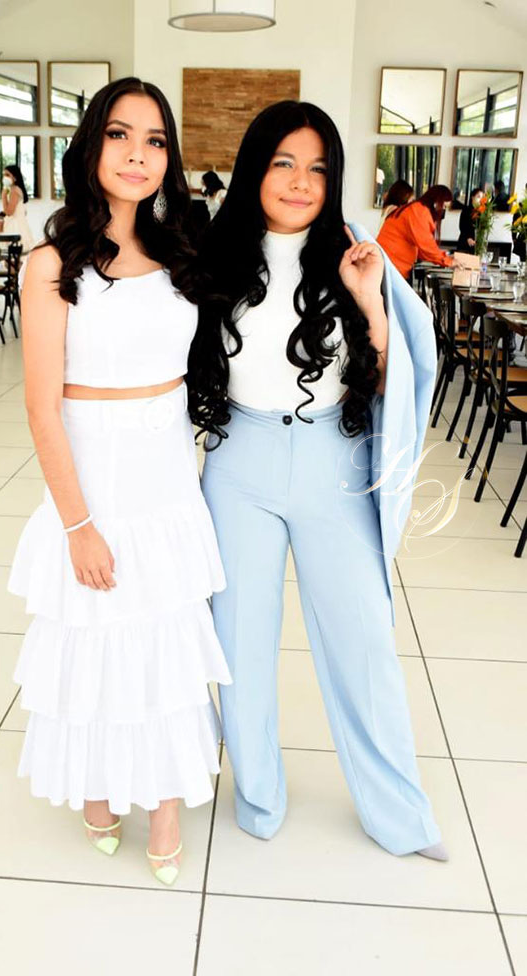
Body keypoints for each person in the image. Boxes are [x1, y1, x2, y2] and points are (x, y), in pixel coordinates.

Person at [187, 100, 447, 860]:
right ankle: (258, 796)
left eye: (318, 168)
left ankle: (398, 814)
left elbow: (395, 380)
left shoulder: (355, 252)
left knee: (364, 640)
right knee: (240, 640)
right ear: (255, 171)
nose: (301, 182)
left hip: (335, 460)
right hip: (240, 460)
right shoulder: (214, 255)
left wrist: (369, 301)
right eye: (284, 164)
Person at [7, 77, 231, 886]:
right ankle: (98, 786)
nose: (138, 154)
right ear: (91, 147)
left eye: (155, 140)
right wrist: (77, 526)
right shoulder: (50, 263)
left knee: (167, 640)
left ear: (169, 158)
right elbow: (41, 408)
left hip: (166, 479)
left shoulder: (182, 254)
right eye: (120, 135)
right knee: (95, 639)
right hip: (94, 480)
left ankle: (166, 804)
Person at [377, 184, 455, 279]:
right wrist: (449, 261)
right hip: (392, 265)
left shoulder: (416, 209)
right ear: (436, 203)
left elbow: (423, 249)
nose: (443, 211)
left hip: (390, 264)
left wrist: (445, 257)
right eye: (444, 207)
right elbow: (426, 244)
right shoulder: (420, 212)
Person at [1, 165, 34, 252]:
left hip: (14, 227)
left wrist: (3, 196)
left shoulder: (14, 190)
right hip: (18, 224)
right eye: (3, 175)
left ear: (15, 177)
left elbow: (9, 212)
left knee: (12, 255)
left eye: (7, 175)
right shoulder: (15, 189)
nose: (5, 177)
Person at [455, 186, 483, 254]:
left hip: (476, 244)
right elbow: (462, 226)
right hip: (464, 242)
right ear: (472, 197)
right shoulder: (466, 210)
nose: (480, 200)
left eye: (482, 198)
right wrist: (468, 238)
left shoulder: (482, 212)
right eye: (478, 197)